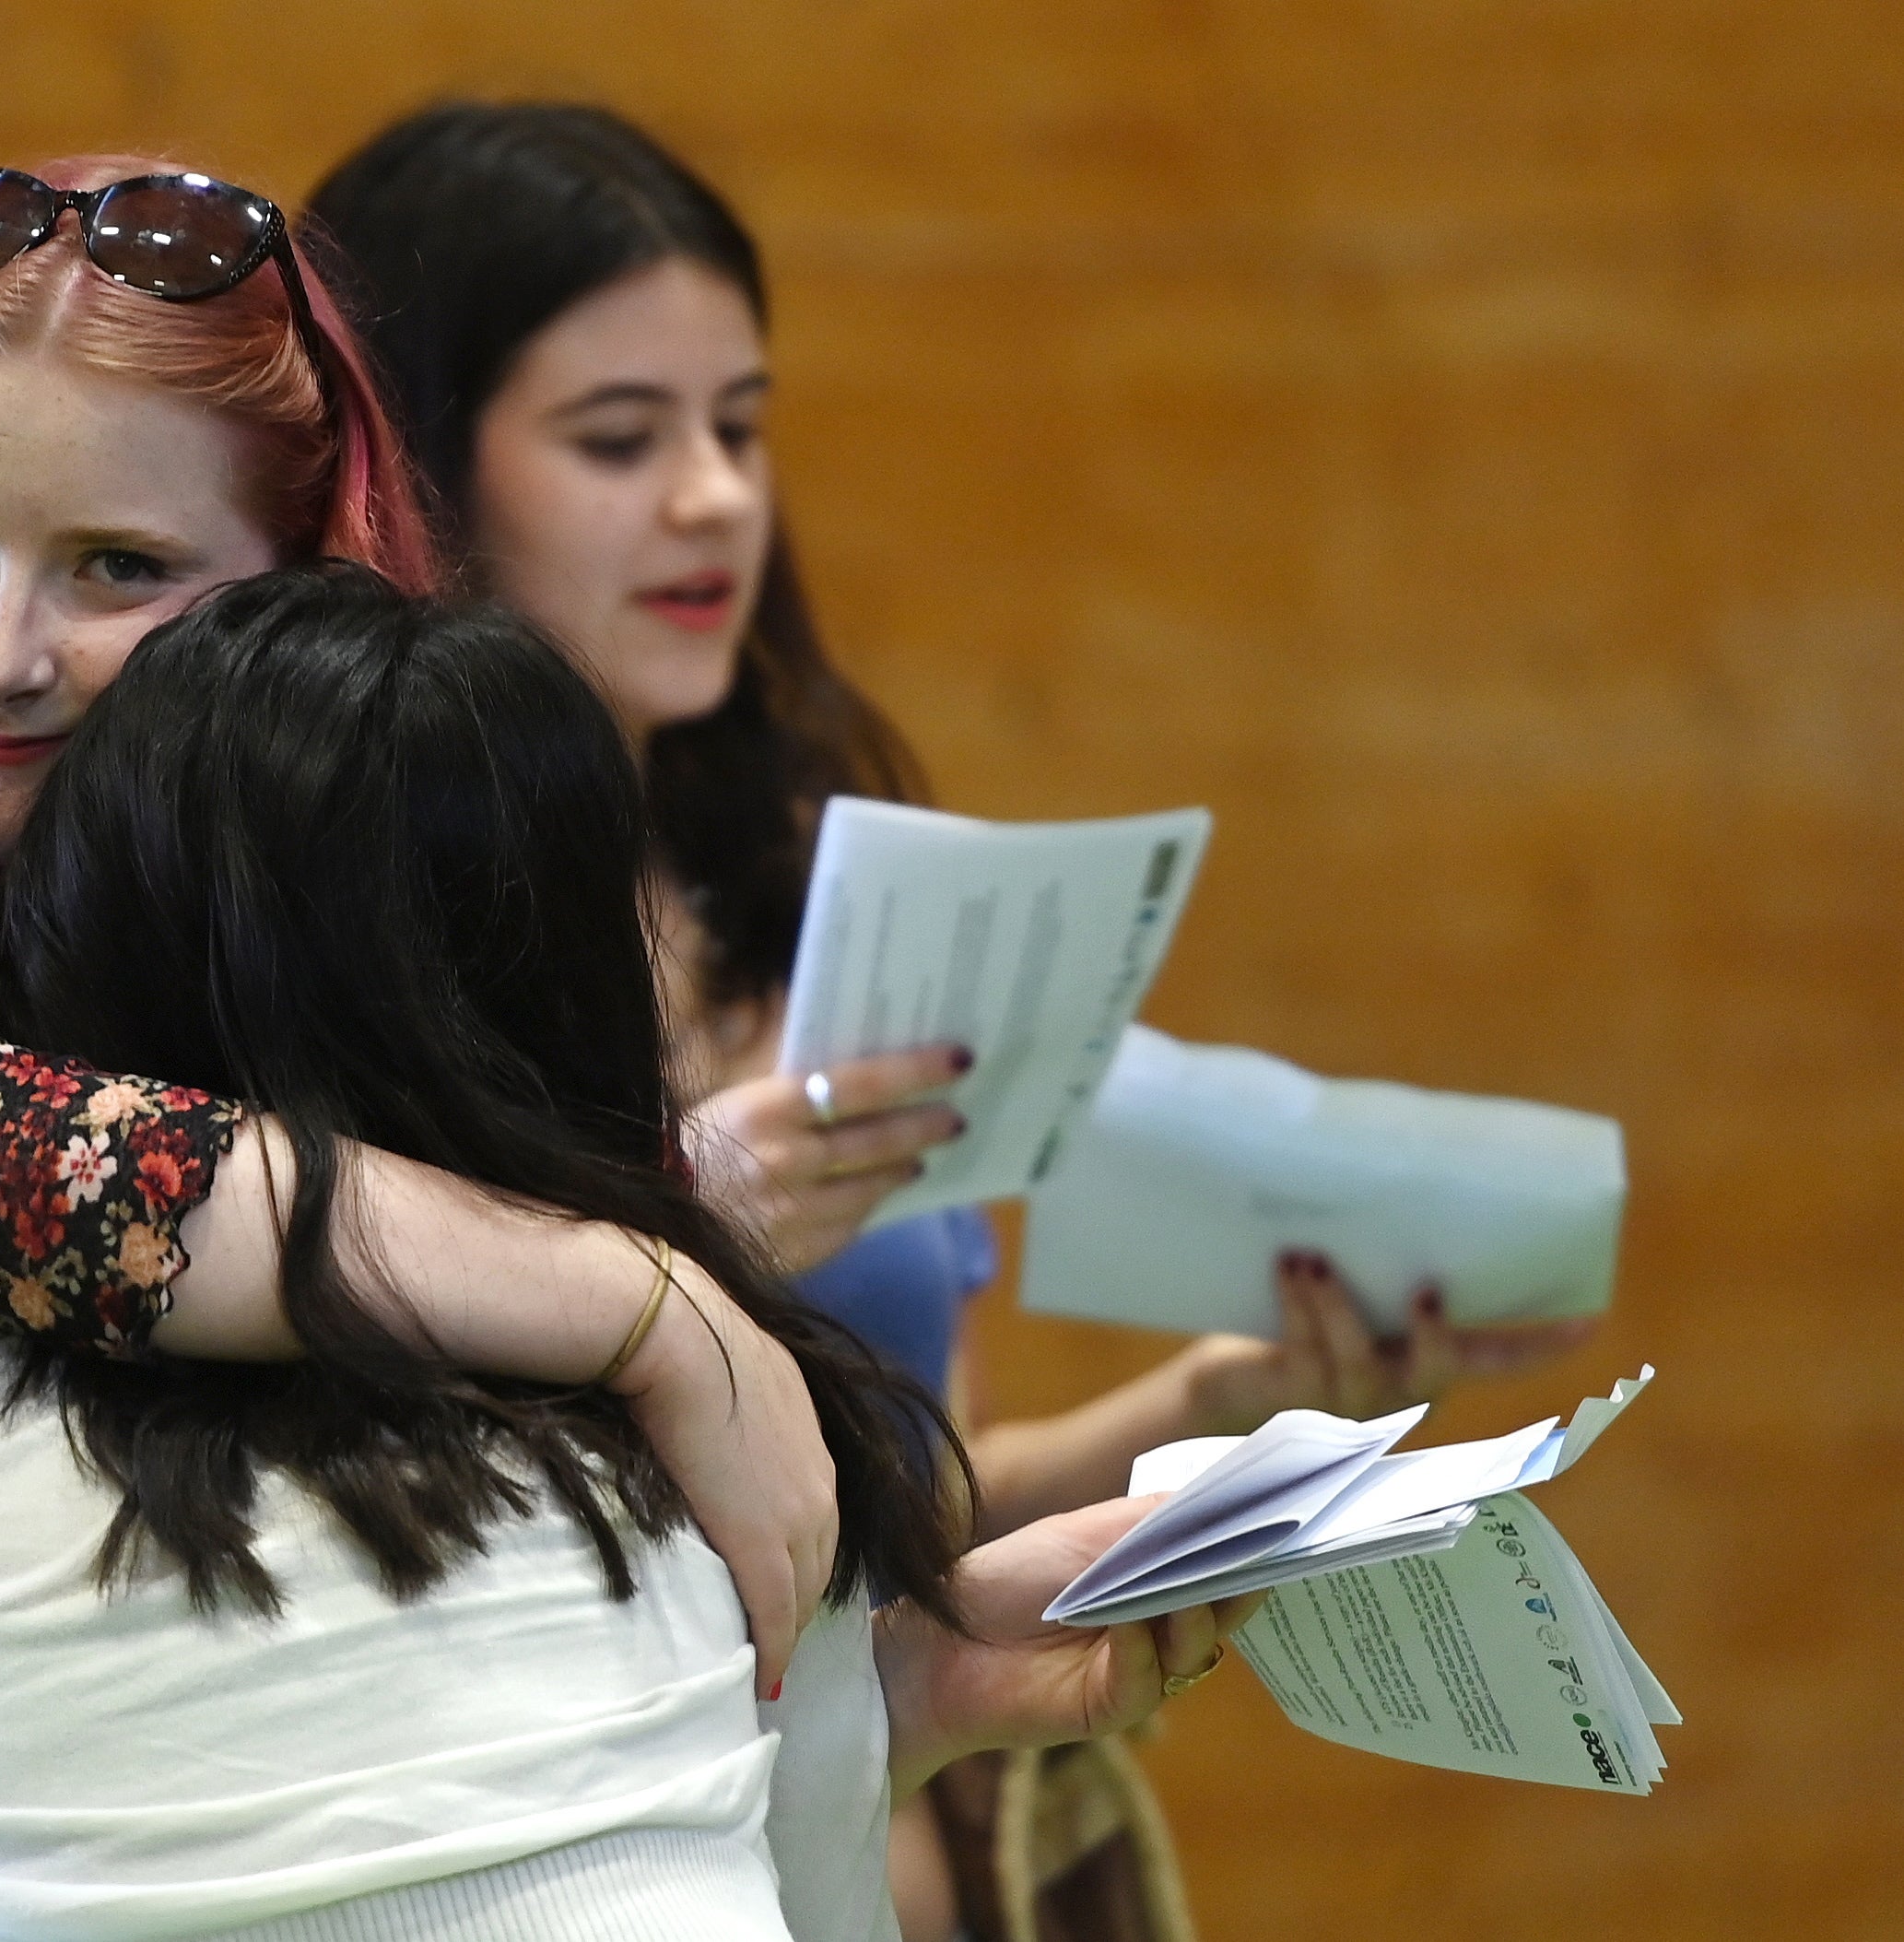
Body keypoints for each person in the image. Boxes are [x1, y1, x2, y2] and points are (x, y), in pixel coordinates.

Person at [0, 565, 1262, 1942]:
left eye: (119, 570)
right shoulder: (725, 1437)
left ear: (79, 936)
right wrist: (868, 1705)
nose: (14, 657)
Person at [305, 98, 1599, 1934]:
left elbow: (909, 1524)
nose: (713, 496)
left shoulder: (812, 882)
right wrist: (682, 1218)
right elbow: (365, 1525)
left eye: (739, 425)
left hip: (902, 1858)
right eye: (619, 437)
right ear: (413, 471)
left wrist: (1217, 1408)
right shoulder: (326, 927)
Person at [0, 154, 877, 1694]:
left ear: (300, 590)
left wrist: (906, 1677)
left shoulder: (401, 946)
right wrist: (639, 1295)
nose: (0, 658)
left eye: (118, 568)